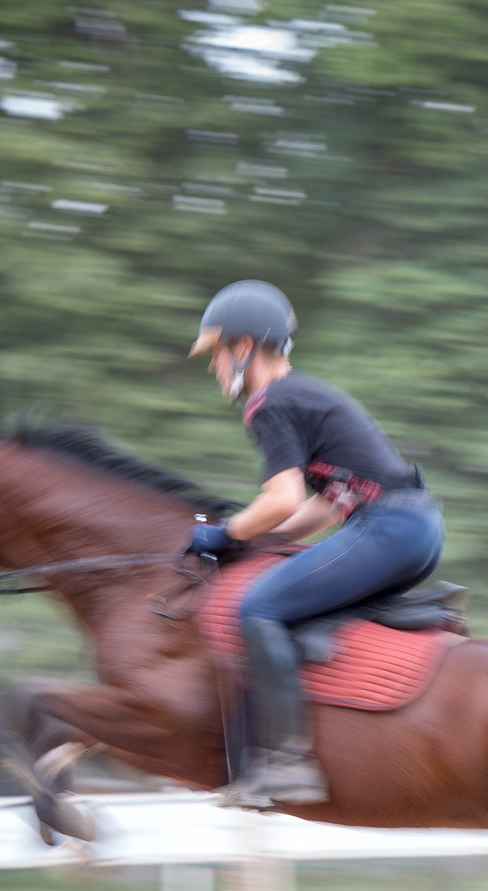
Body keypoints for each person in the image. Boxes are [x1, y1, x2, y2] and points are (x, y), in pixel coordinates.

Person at [185, 280, 444, 809]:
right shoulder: (303, 393)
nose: (214, 368)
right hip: (414, 528)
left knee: (256, 608)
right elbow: (326, 504)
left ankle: (287, 763)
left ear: (244, 347)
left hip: (389, 529)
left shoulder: (268, 402)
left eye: (217, 354)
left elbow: (282, 497)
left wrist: (227, 533)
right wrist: (262, 541)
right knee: (284, 593)